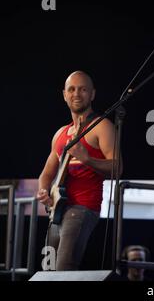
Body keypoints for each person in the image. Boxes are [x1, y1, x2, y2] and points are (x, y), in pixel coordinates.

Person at [36, 70, 120, 271]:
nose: (76, 94)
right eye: (71, 89)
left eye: (83, 89)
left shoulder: (102, 126)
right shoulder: (60, 134)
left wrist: (87, 159)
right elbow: (47, 173)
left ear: (92, 94)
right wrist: (44, 191)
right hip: (57, 210)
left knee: (64, 270)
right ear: (64, 94)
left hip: (82, 208)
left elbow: (117, 168)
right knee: (48, 270)